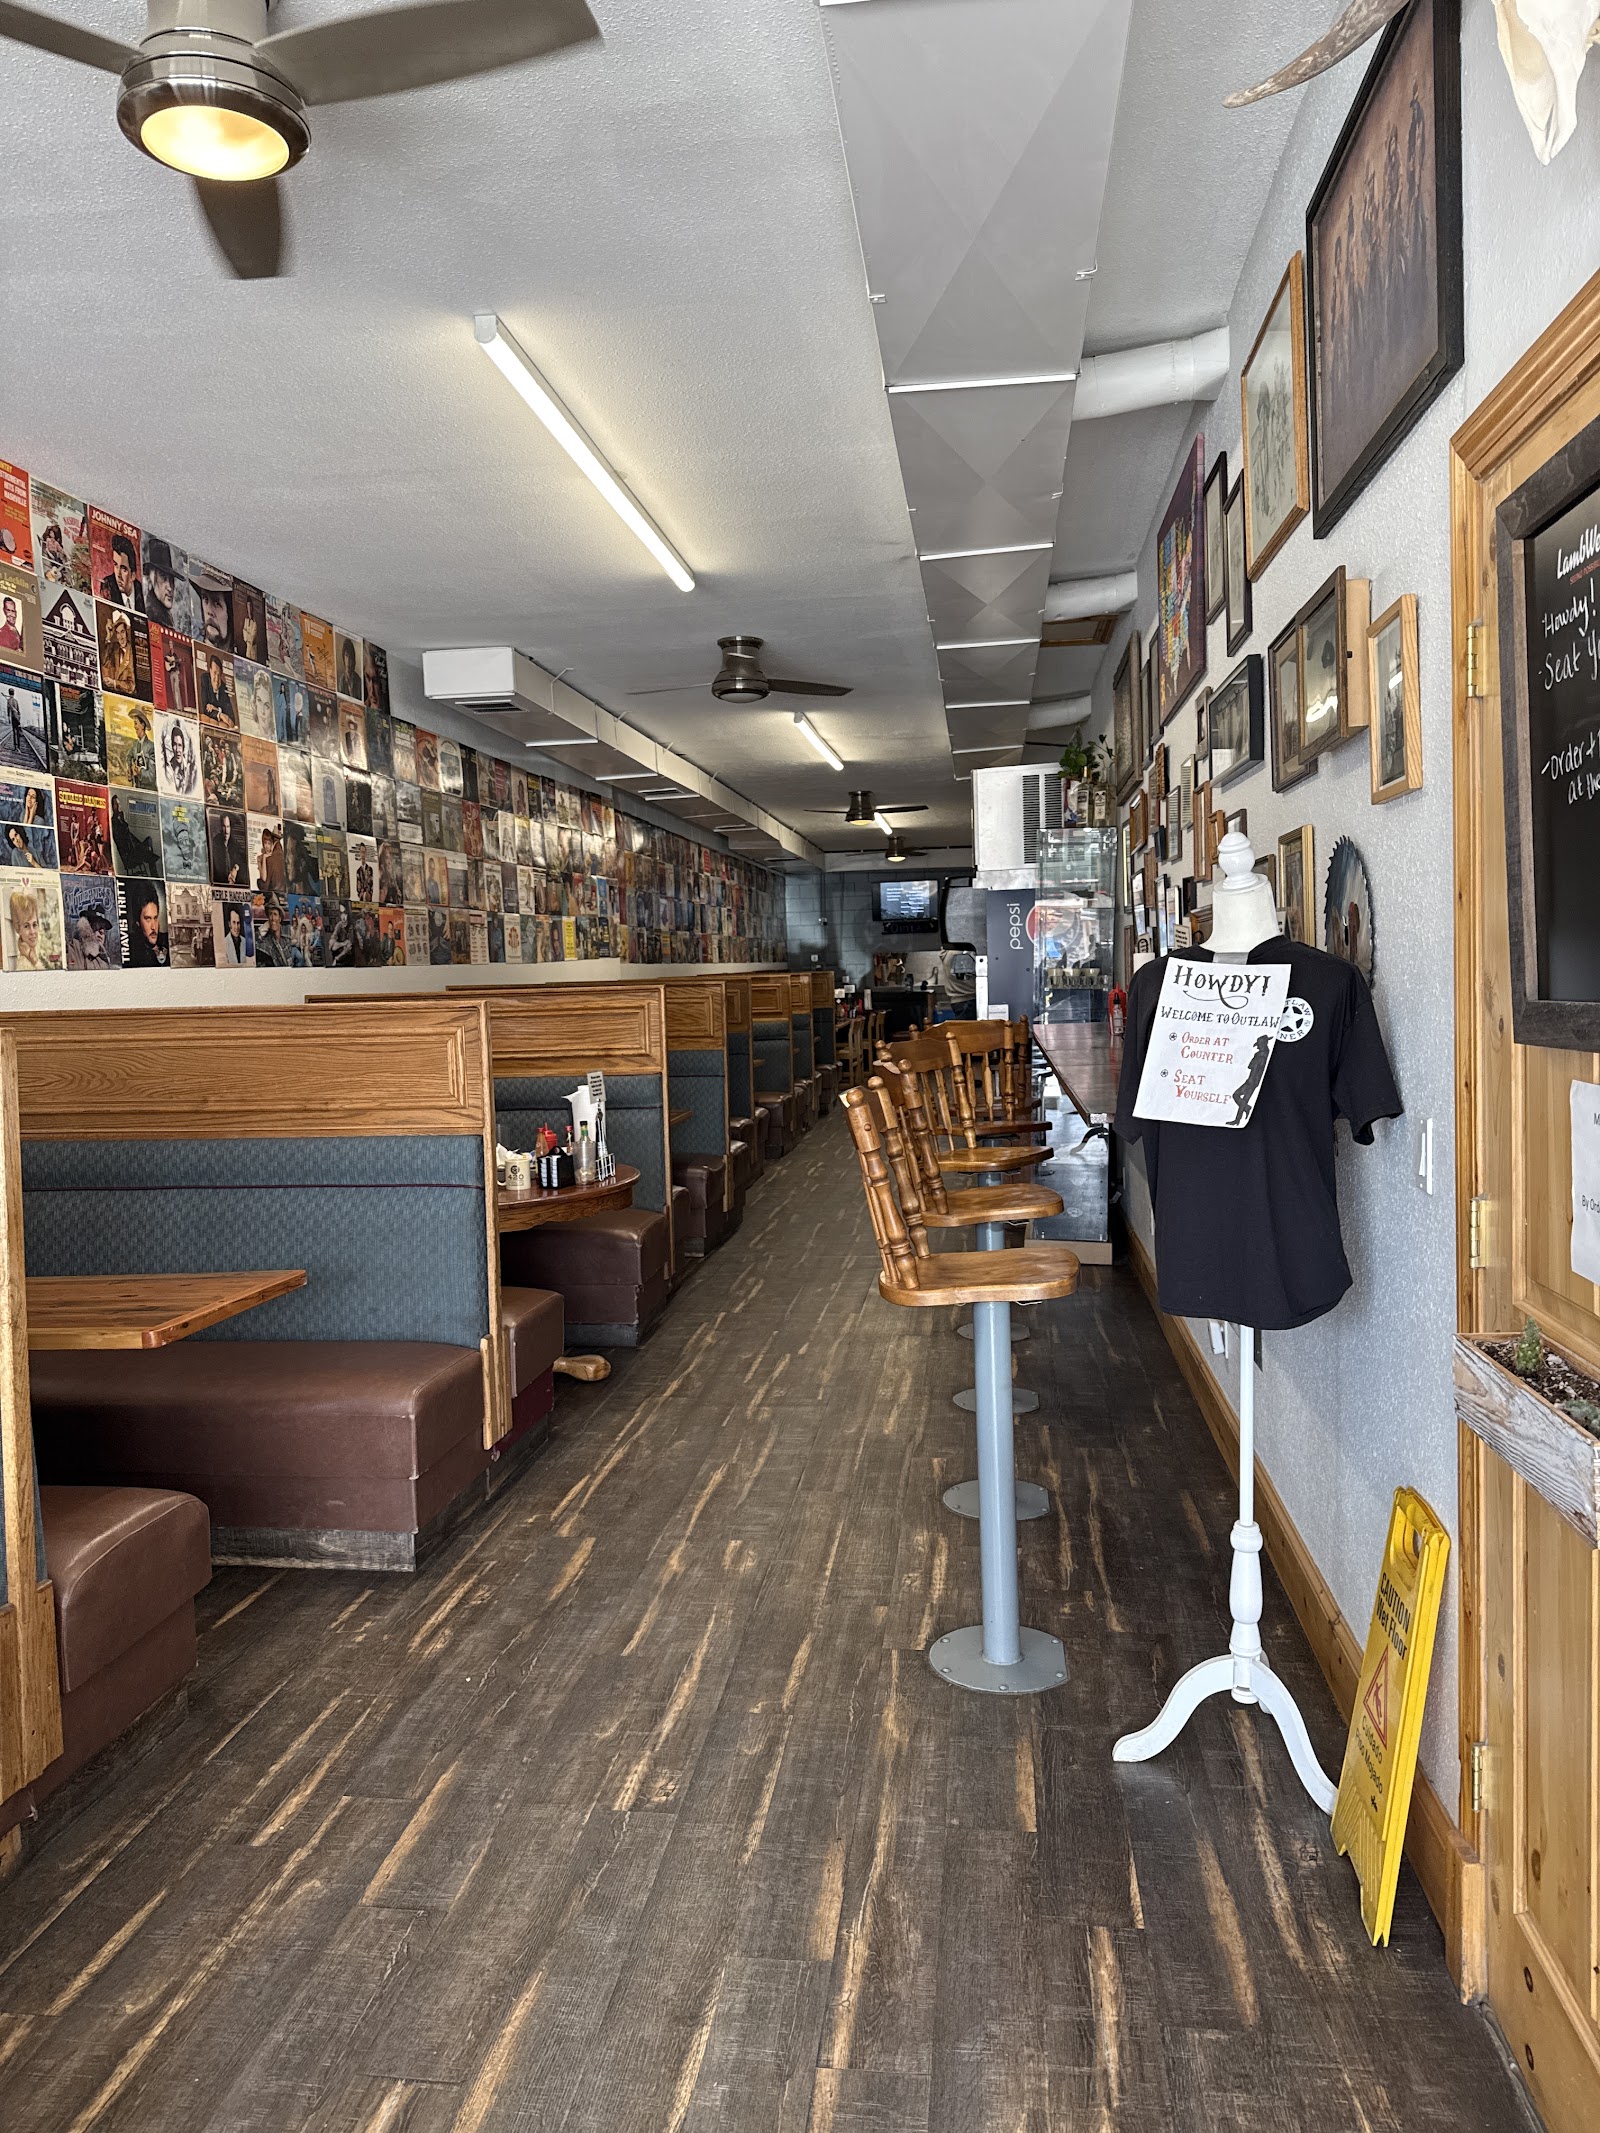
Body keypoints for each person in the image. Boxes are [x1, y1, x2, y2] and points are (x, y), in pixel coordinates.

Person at [125, 886, 168, 968]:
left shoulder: (165, 942)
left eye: (155, 918)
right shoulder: (131, 949)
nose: (153, 927)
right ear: (137, 922)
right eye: (148, 919)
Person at [98, 532, 142, 610]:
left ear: (133, 575)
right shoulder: (107, 585)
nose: (118, 575)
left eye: (124, 569)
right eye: (116, 565)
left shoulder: (142, 593)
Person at [7, 885, 47, 968]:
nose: (32, 932)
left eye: (34, 925)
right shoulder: (24, 965)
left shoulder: (36, 955)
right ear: (18, 929)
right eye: (26, 926)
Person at [67, 904, 114, 971]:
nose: (101, 933)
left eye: (103, 929)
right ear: (87, 927)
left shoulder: (104, 959)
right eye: (96, 926)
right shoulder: (74, 949)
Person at [143, 538, 177, 629]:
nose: (169, 587)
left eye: (171, 579)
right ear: (151, 577)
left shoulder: (165, 617)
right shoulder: (152, 616)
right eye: (163, 577)